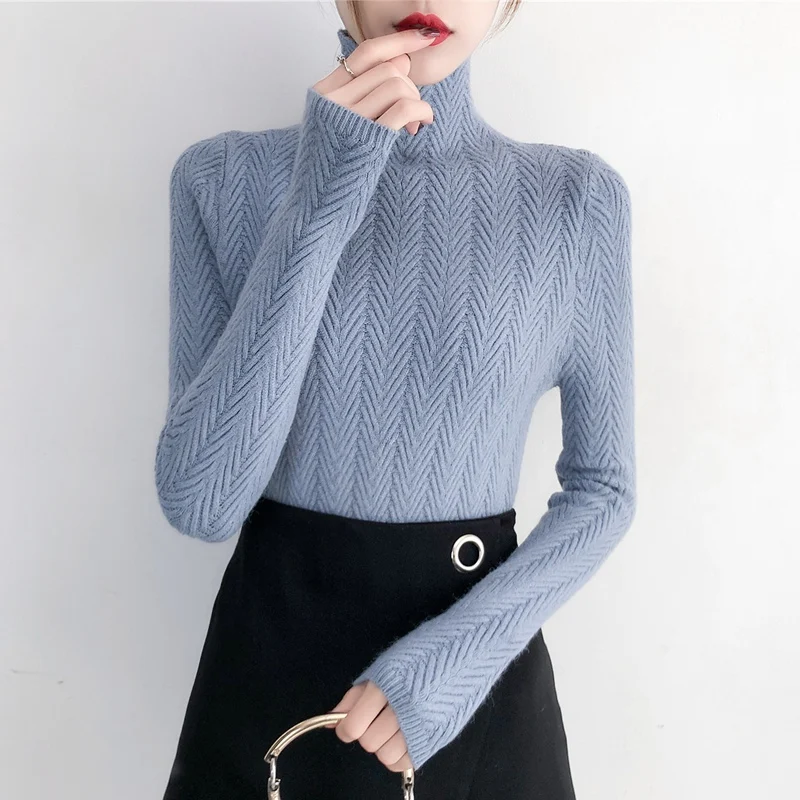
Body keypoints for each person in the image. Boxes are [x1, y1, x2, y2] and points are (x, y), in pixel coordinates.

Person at [155, 1, 637, 798]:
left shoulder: (576, 202)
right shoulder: (222, 179)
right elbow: (200, 504)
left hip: (475, 690)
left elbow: (604, 491)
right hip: (271, 673)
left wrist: (450, 668)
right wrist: (320, 201)